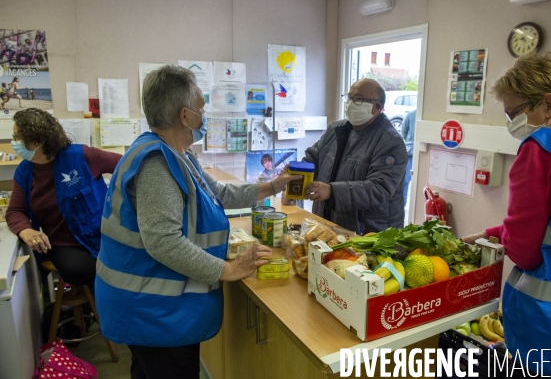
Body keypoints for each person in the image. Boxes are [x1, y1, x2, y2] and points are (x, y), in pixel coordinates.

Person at [95, 65, 301, 379]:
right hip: (152, 309)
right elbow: (164, 241)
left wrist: (274, 185)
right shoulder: (157, 166)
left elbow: (220, 193)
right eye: (201, 109)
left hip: (154, 307)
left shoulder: (178, 154)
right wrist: (228, 269)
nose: (204, 116)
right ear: (185, 116)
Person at [462, 53, 551, 377]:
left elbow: (524, 251)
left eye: (515, 113)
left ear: (549, 104)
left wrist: (504, 236)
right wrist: (497, 230)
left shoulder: (544, 146)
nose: (512, 124)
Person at [6, 108, 122, 289]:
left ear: (39, 140)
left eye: (17, 138)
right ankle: (103, 307)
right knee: (80, 270)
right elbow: (15, 210)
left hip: (101, 234)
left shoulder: (81, 156)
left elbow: (129, 166)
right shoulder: (24, 171)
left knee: (127, 263)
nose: (15, 143)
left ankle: (110, 306)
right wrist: (25, 230)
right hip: (64, 244)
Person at [303, 78, 407, 234]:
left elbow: (379, 188)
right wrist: (294, 179)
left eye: (357, 99)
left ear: (377, 107)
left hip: (369, 233)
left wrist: (331, 191)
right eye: (349, 97)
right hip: (328, 223)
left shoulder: (390, 142)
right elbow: (313, 158)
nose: (350, 103)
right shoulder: (336, 130)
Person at [400, 109, 416, 208]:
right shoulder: (411, 115)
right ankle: (402, 204)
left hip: (421, 155)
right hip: (410, 154)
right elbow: (404, 133)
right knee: (405, 180)